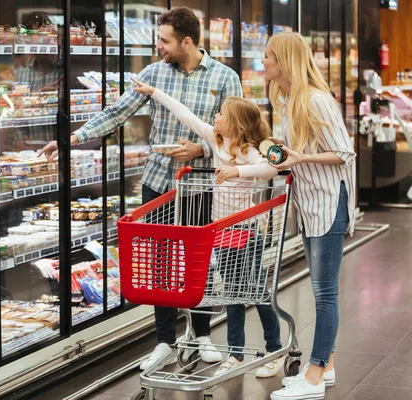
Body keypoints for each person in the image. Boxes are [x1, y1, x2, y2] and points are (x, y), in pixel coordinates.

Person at [38, 7, 242, 370]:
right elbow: (116, 113)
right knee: (161, 264)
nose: (158, 46)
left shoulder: (225, 78)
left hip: (201, 184)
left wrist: (202, 148)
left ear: (187, 41)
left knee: (198, 263)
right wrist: (70, 139)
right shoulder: (153, 73)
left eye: (164, 40)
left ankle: (202, 335)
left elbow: (238, 135)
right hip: (158, 182)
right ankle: (165, 340)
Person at [132, 78, 284, 378]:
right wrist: (155, 92)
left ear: (236, 124)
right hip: (223, 232)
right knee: (231, 294)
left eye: (221, 114)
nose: (215, 117)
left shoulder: (248, 151)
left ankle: (275, 347)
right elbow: (184, 113)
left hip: (248, 232)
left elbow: (271, 167)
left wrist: (236, 170)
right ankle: (236, 355)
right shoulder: (215, 140)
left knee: (255, 291)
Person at [261, 32, 356, 400]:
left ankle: (314, 376)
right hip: (310, 204)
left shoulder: (315, 101)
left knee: (324, 292)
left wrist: (300, 158)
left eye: (268, 55)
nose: (263, 60)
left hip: (329, 202)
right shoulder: (289, 101)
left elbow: (344, 152)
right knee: (322, 289)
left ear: (283, 61)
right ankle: (326, 366)